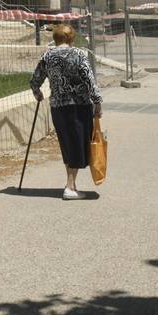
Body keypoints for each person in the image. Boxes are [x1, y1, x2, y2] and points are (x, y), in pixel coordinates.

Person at [30, 23, 103, 200]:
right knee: (77, 145)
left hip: (58, 107)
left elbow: (34, 80)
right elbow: (89, 80)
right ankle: (70, 188)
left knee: (67, 144)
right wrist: (98, 102)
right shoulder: (79, 54)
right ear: (71, 38)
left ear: (55, 38)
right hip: (79, 106)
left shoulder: (47, 55)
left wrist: (38, 93)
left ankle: (71, 184)